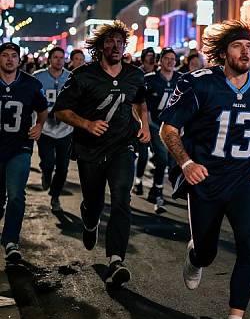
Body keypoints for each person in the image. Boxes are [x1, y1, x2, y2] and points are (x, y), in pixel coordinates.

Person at [160, 20, 250, 319]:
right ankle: (195, 255)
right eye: (238, 46)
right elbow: (168, 130)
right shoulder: (198, 84)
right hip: (205, 178)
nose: (246, 52)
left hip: (244, 177)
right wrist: (187, 163)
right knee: (207, 251)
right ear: (222, 52)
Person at [54, 21, 150, 286]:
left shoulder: (135, 75)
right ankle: (90, 220)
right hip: (90, 149)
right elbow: (60, 110)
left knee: (121, 199)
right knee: (94, 201)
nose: (116, 46)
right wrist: (87, 124)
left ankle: (116, 260)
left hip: (122, 146)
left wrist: (144, 125)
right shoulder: (83, 75)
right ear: (99, 47)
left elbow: (141, 101)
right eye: (110, 41)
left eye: (120, 41)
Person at [0, 42, 48, 262]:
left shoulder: (30, 84)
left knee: (16, 194)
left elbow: (42, 108)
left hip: (20, 147)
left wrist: (39, 125)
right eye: (5, 55)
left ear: (19, 60)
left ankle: (11, 240)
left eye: (13, 56)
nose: (9, 59)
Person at [33, 47, 73, 212]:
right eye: (55, 57)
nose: (58, 60)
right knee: (48, 162)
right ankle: (46, 173)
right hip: (46, 128)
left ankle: (55, 196)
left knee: (63, 167)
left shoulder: (71, 78)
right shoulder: (38, 77)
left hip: (65, 129)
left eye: (61, 57)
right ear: (49, 59)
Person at [142, 47, 181, 213]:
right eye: (167, 58)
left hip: (173, 127)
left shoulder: (180, 79)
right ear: (160, 60)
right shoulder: (150, 79)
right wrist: (148, 126)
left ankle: (155, 190)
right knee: (163, 158)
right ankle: (158, 192)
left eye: (173, 58)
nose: (170, 61)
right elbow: (143, 106)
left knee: (173, 163)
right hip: (156, 125)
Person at [132, 47, 156, 196]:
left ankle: (156, 187)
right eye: (148, 56)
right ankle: (138, 181)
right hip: (140, 119)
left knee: (161, 156)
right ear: (143, 58)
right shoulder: (137, 74)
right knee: (142, 154)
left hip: (157, 121)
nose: (151, 58)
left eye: (153, 56)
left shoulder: (158, 74)